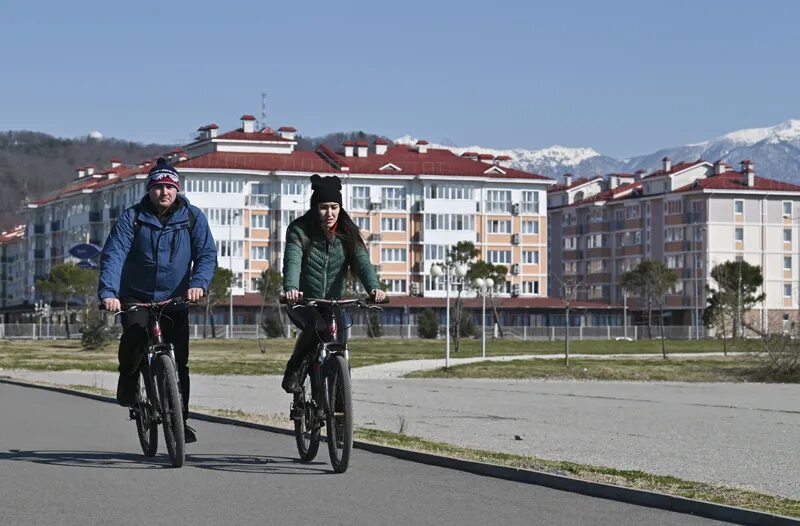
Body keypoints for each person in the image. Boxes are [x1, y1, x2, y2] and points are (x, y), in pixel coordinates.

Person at [98, 158, 217, 443]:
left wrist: (198, 284)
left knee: (182, 363)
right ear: (149, 190)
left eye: (169, 186)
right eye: (158, 187)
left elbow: (206, 254)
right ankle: (128, 379)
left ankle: (180, 420)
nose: (164, 192)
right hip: (135, 294)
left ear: (177, 189)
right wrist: (109, 293)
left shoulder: (192, 217)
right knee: (134, 340)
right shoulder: (133, 217)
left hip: (175, 297)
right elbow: (114, 254)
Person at [281, 174, 386, 393]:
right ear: (315, 207)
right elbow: (292, 261)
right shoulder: (299, 230)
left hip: (335, 303)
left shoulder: (348, 232)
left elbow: (363, 263)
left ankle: (340, 413)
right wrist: (291, 288)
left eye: (334, 207)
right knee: (317, 326)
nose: (329, 213)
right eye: (323, 207)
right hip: (303, 301)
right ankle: (295, 369)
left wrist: (374, 288)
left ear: (340, 207)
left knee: (339, 341)